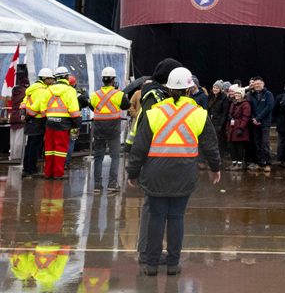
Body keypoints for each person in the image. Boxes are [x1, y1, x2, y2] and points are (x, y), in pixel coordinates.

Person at [127, 67, 221, 276]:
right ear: (189, 89)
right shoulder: (198, 113)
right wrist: (215, 168)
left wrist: (132, 172)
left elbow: (139, 147)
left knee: (156, 217)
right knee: (177, 217)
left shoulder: (153, 113)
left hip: (155, 173)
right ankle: (173, 264)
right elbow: (210, 145)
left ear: (168, 89)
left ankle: (151, 265)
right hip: (184, 173)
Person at [26, 68, 82, 179]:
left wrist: (37, 117)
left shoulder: (48, 90)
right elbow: (74, 110)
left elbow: (39, 106)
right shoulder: (70, 91)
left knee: (49, 149)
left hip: (49, 123)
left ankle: (48, 173)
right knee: (60, 150)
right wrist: (76, 123)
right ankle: (58, 174)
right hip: (64, 124)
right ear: (66, 77)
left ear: (56, 78)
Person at [89, 66, 129, 193]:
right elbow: (126, 106)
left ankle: (97, 186)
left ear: (102, 80)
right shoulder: (119, 94)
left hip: (99, 128)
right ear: (113, 80)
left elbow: (92, 107)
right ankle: (112, 184)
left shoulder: (95, 95)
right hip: (113, 129)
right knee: (115, 156)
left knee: (98, 157)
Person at [21, 68, 52, 176]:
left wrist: (24, 115)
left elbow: (24, 103)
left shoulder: (32, 89)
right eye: (50, 79)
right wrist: (30, 116)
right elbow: (38, 105)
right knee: (34, 146)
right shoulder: (42, 90)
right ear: (44, 79)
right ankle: (31, 169)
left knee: (29, 145)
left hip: (30, 120)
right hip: (37, 120)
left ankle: (26, 168)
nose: (52, 81)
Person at [246, 77, 274, 172]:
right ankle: (259, 163)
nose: (257, 85)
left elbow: (269, 107)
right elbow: (250, 109)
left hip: (264, 123)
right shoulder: (251, 95)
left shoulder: (268, 94)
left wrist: (258, 118)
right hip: (255, 123)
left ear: (263, 84)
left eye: (259, 83)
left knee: (264, 143)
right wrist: (254, 118)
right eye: (255, 84)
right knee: (256, 144)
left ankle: (267, 163)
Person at [226, 85, 252, 169]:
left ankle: (239, 164)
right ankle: (234, 163)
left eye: (239, 94)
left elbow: (246, 117)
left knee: (239, 146)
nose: (237, 95)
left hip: (240, 127)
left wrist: (241, 128)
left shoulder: (245, 104)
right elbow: (230, 115)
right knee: (232, 145)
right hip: (232, 127)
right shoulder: (233, 103)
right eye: (236, 93)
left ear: (242, 95)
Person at [9, 69, 28, 163]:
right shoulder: (25, 92)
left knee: (13, 138)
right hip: (21, 116)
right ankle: (17, 156)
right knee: (19, 139)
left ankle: (12, 155)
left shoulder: (14, 91)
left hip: (13, 115)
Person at [208, 81, 231, 159]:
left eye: (217, 88)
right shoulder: (211, 96)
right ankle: (212, 158)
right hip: (211, 122)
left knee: (219, 142)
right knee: (211, 141)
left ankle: (219, 158)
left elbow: (224, 113)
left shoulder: (224, 98)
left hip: (219, 124)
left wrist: (221, 125)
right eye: (214, 87)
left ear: (220, 89)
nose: (215, 89)